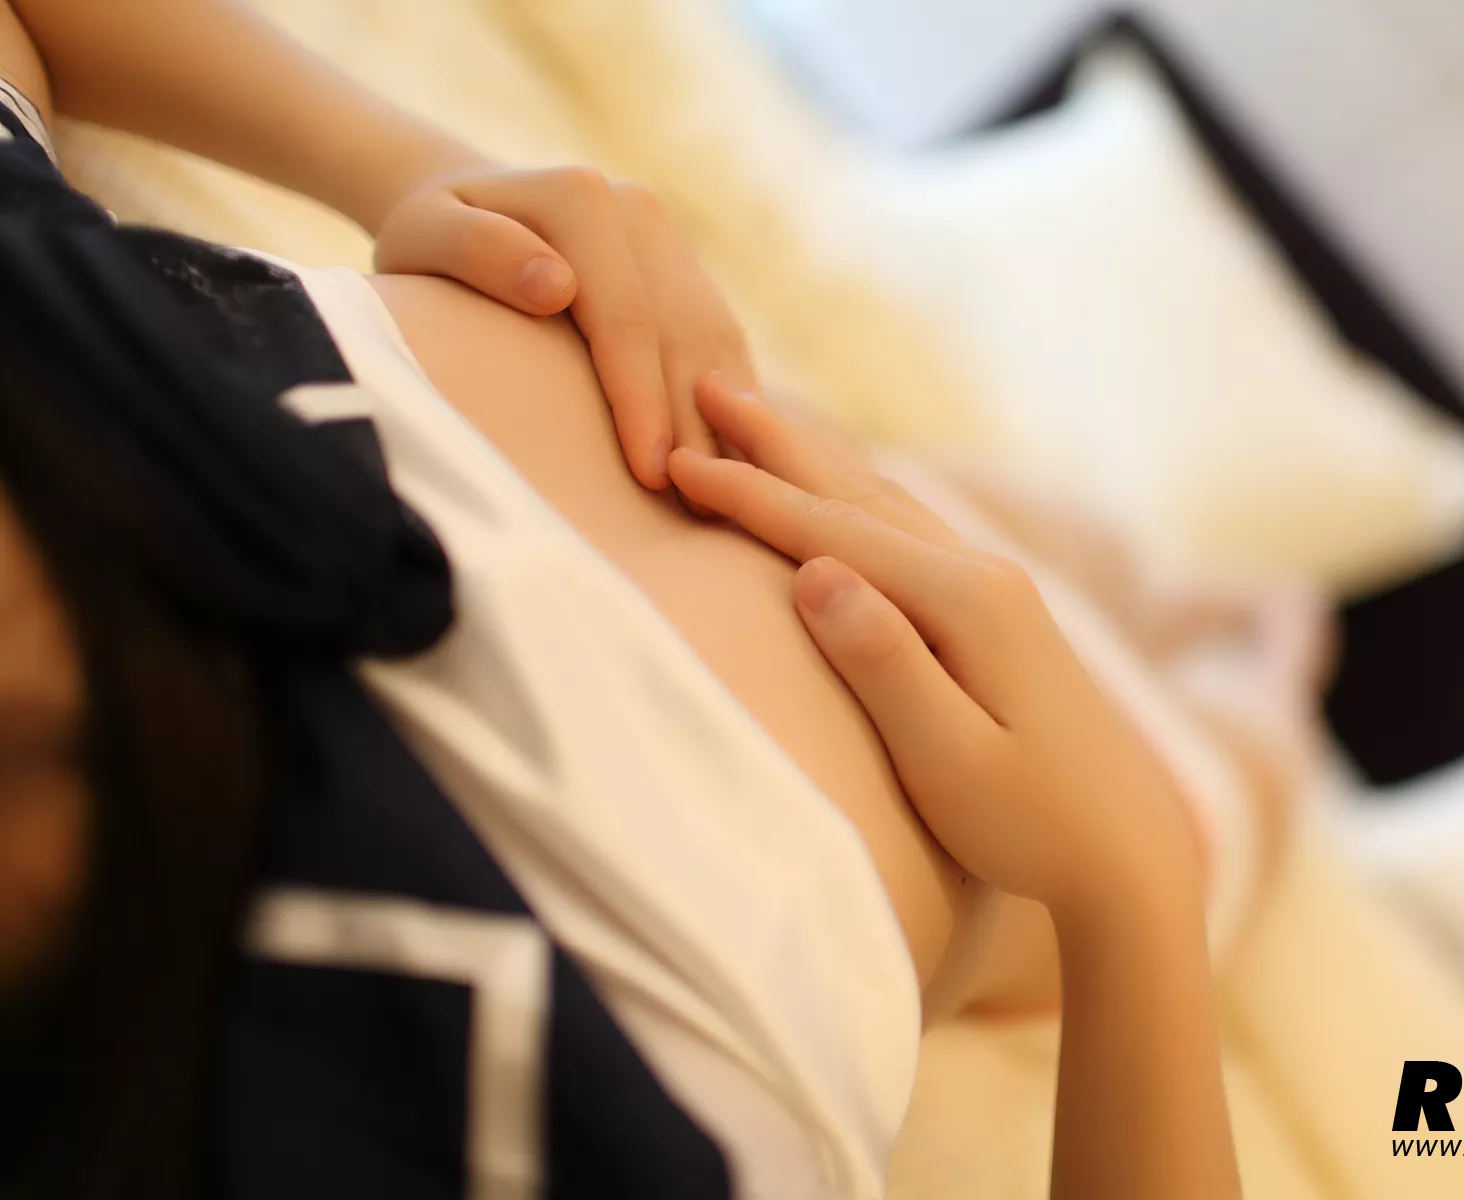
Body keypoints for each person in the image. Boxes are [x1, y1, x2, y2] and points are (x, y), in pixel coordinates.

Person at [0, 1, 1330, 1194]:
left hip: (835, 482)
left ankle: (1184, 597)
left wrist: (402, 161)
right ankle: (1279, 653)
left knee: (1101, 551)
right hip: (1053, 818)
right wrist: (1132, 894)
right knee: (1259, 710)